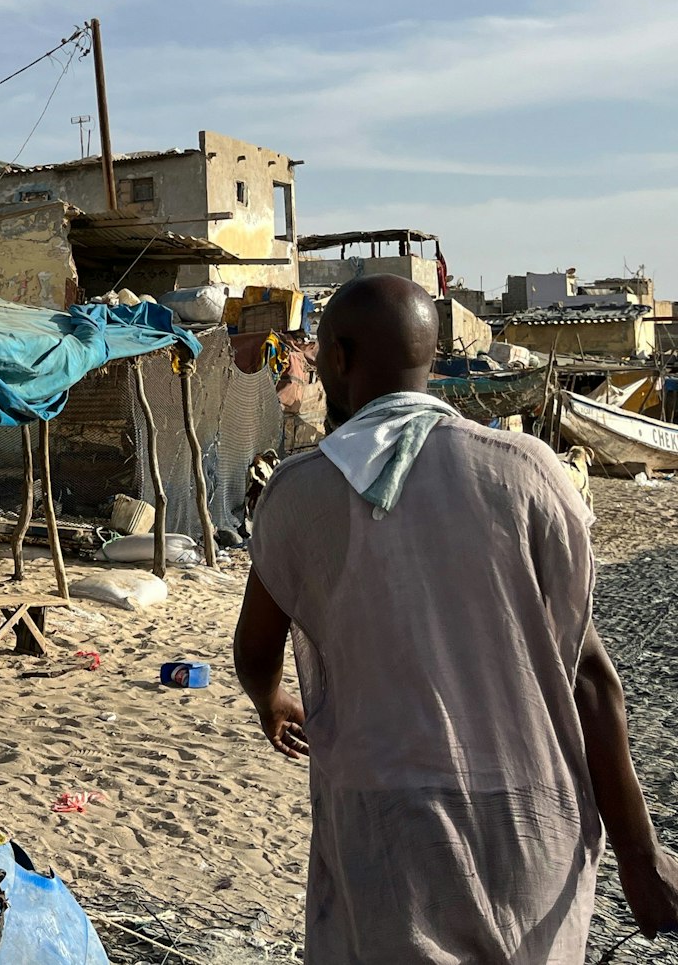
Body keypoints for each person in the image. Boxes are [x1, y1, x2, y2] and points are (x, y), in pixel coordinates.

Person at [233, 274, 678, 962]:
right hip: (532, 825)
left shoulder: (299, 491)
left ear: (343, 359)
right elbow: (592, 679)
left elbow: (255, 647)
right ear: (431, 356)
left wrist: (270, 700)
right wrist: (639, 859)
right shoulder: (528, 471)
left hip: (388, 837)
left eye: (321, 358)